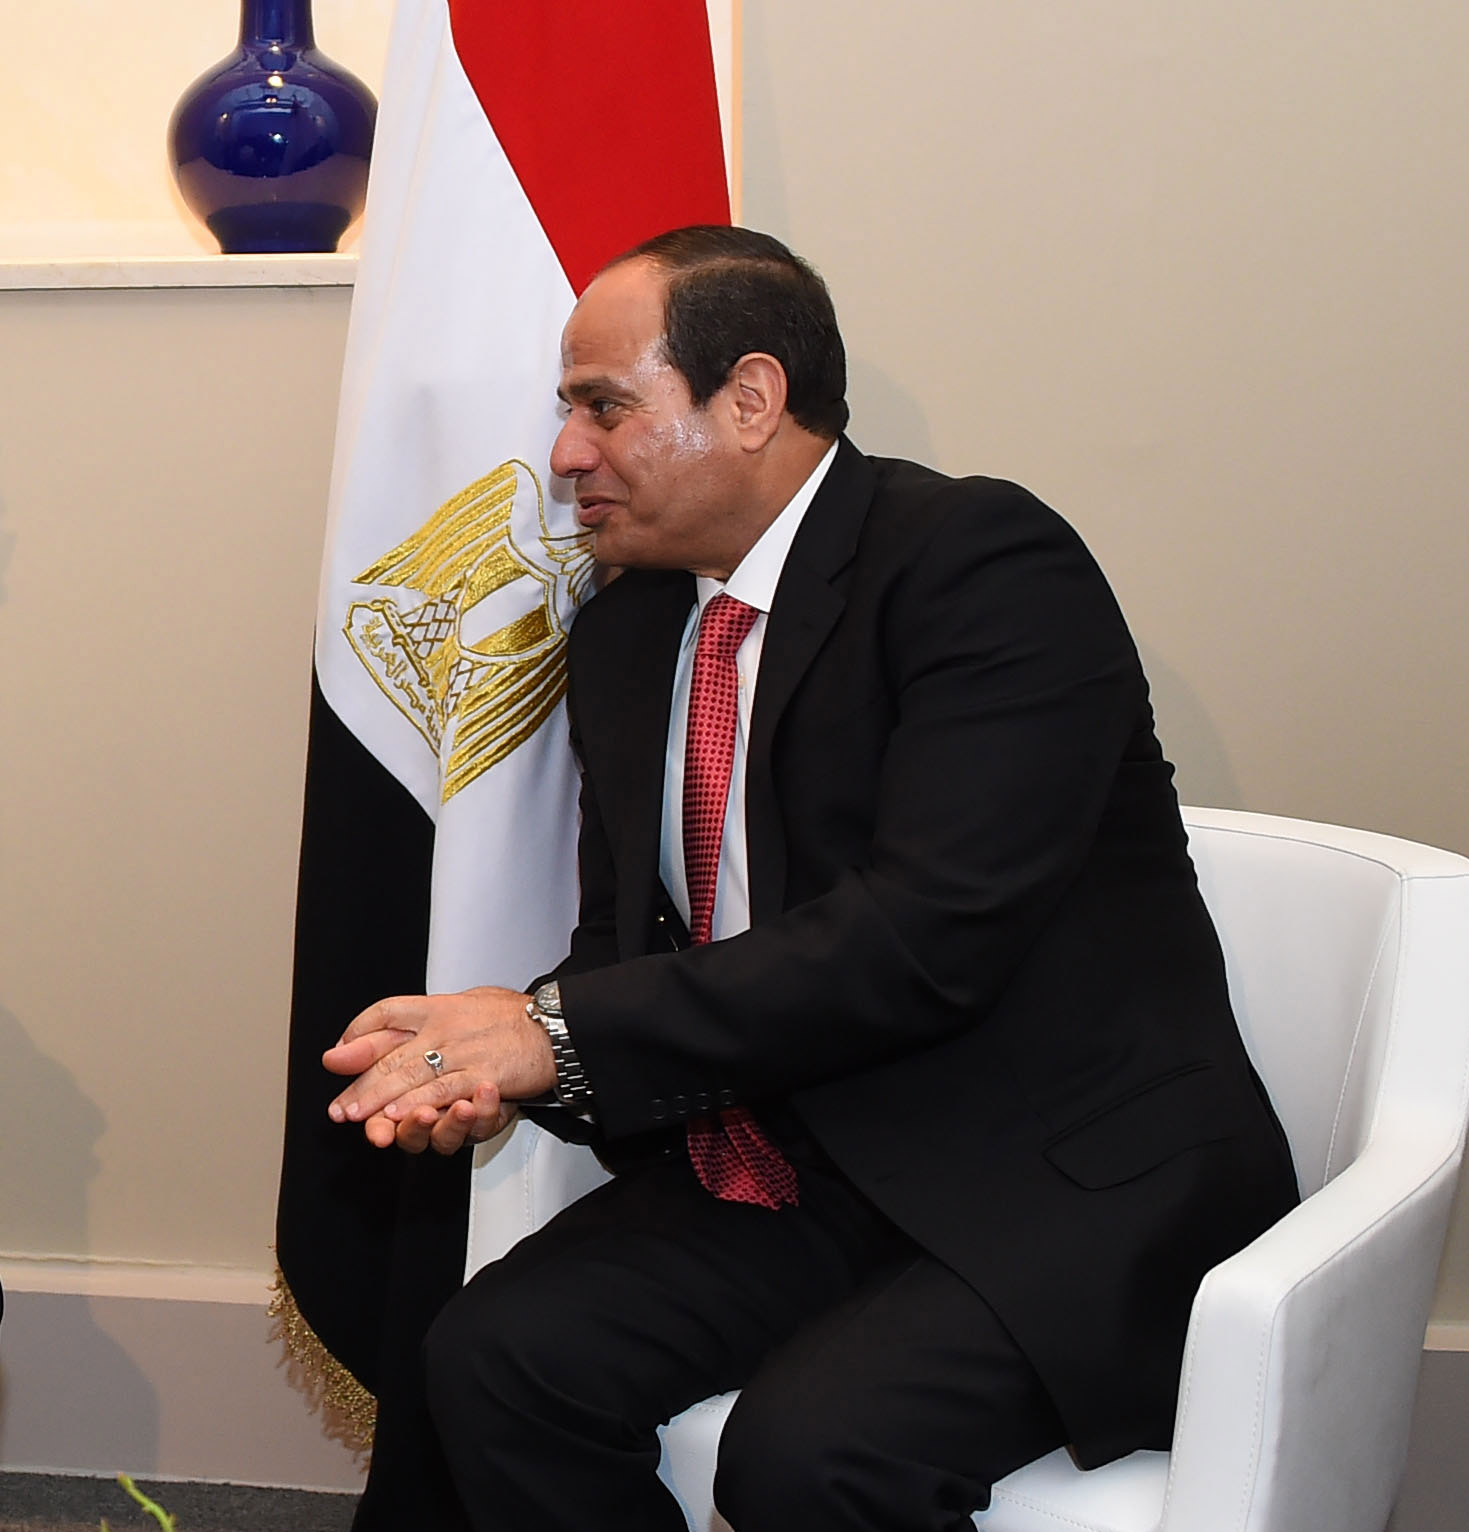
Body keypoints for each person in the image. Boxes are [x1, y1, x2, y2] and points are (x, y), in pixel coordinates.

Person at [322, 226, 1299, 1532]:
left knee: (810, 1457)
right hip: (798, 1166)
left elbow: (923, 937)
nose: (564, 455)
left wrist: (551, 1032)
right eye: (567, 412)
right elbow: (627, 951)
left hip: (1053, 1178)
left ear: (751, 398)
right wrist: (496, 1063)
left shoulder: (980, 563)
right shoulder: (629, 628)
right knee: (494, 1361)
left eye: (603, 407)